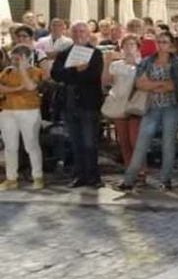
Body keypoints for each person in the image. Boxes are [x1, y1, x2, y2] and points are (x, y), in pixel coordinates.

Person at [115, 33, 178, 191]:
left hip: (171, 107)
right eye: (159, 42)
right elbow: (140, 84)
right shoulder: (148, 61)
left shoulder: (176, 63)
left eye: (165, 42)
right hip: (151, 107)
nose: (161, 45)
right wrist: (160, 85)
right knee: (141, 143)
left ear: (171, 45)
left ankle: (166, 179)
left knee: (168, 144)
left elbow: (174, 86)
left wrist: (152, 84)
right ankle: (129, 179)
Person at [51, 22, 105, 188]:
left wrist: (70, 74)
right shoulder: (64, 53)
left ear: (88, 34)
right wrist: (75, 71)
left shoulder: (95, 53)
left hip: (88, 103)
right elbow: (55, 74)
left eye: (82, 31)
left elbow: (91, 76)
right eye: (76, 31)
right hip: (69, 103)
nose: (79, 34)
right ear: (71, 34)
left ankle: (93, 177)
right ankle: (79, 175)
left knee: (90, 143)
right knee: (75, 142)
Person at [0, 46, 45, 190]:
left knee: (31, 145)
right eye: (13, 58)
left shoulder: (35, 71)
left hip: (29, 111)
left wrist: (23, 69)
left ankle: (37, 177)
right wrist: (18, 89)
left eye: (18, 58)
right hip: (7, 111)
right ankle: (11, 178)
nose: (14, 61)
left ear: (27, 58)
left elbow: (31, 87)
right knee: (10, 147)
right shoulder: (6, 71)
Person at [101, 35, 142, 170]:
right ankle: (129, 169)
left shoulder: (142, 64)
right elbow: (106, 82)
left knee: (135, 140)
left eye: (132, 45)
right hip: (119, 103)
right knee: (123, 141)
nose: (129, 48)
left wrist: (135, 64)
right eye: (126, 45)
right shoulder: (116, 65)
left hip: (135, 104)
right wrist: (106, 63)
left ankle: (141, 170)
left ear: (137, 48)